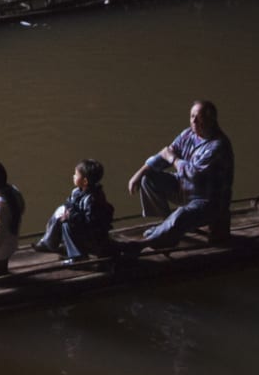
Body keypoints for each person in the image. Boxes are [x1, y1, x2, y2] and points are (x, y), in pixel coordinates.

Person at [126, 100, 234, 249]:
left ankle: (147, 243)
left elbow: (193, 173)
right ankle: (166, 226)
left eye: (199, 117)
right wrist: (139, 173)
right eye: (192, 116)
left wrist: (173, 159)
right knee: (148, 178)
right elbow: (164, 154)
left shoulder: (218, 145)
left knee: (182, 214)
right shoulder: (188, 134)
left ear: (211, 120)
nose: (194, 121)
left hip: (207, 201)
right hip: (184, 188)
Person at [33, 158, 117, 261]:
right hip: (82, 229)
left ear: (85, 181)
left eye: (76, 175)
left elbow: (90, 222)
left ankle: (78, 256)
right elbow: (69, 203)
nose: (73, 176)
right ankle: (49, 242)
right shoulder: (77, 192)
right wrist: (67, 212)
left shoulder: (93, 199)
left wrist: (70, 216)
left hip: (92, 237)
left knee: (66, 224)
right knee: (61, 210)